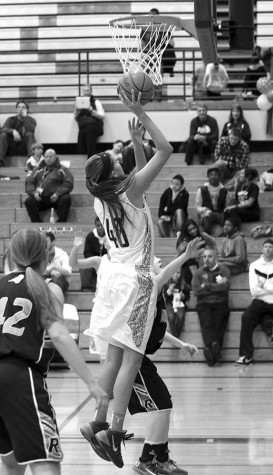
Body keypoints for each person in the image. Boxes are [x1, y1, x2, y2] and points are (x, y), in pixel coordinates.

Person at [81, 90, 173, 468]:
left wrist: (136, 144)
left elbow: (139, 180)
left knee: (113, 355)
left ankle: (98, 421)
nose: (120, 161)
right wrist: (140, 113)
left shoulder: (101, 197)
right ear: (115, 174)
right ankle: (113, 432)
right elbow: (165, 150)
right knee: (131, 361)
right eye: (115, 160)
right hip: (135, 279)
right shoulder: (129, 189)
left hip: (111, 277)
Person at [70, 236, 202, 475]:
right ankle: (149, 460)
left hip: (141, 359)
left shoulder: (154, 298)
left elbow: (157, 330)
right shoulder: (148, 287)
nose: (161, 263)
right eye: (158, 262)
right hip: (133, 362)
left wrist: (181, 343)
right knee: (161, 406)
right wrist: (185, 257)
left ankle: (156, 458)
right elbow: (161, 276)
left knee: (163, 406)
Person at [0, 228, 107, 475]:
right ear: (47, 255)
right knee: (45, 462)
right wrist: (91, 382)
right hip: (20, 378)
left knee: (12, 463)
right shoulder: (44, 287)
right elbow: (59, 334)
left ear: (11, 255)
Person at [236, 239, 273, 366]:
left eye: (270, 247)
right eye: (265, 246)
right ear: (262, 249)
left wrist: (264, 285)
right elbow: (254, 291)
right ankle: (245, 355)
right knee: (246, 317)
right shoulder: (254, 265)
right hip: (259, 302)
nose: (268, 249)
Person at [192, 246, 231, 366]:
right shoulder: (198, 272)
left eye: (209, 256)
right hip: (204, 304)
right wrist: (216, 287)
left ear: (216, 257)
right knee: (207, 325)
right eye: (204, 256)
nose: (206, 259)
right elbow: (196, 291)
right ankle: (215, 353)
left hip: (221, 302)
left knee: (219, 326)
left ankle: (211, 356)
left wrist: (208, 286)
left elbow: (225, 288)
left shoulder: (223, 270)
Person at [25, 148, 74, 222]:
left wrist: (57, 194)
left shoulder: (62, 169)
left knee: (66, 199)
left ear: (55, 157)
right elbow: (29, 182)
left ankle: (61, 222)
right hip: (41, 198)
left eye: (50, 157)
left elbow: (68, 183)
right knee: (29, 201)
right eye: (46, 157)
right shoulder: (38, 169)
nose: (48, 159)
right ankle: (36, 222)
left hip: (57, 198)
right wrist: (34, 193)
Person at [0, 100, 36, 166]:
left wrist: (25, 117)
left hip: (24, 146)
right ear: (16, 109)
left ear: (27, 109)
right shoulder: (10, 119)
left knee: (30, 134)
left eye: (23, 107)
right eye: (19, 107)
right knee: (3, 135)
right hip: (11, 146)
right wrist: (13, 131)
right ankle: (0, 161)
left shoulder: (31, 120)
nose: (20, 109)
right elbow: (2, 129)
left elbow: (30, 130)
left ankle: (32, 161)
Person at [74, 83, 105, 158]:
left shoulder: (96, 102)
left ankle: (92, 161)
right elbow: (75, 118)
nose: (86, 92)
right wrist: (77, 111)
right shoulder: (79, 102)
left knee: (91, 147)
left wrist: (92, 110)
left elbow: (102, 115)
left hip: (93, 127)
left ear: (91, 91)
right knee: (80, 148)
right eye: (84, 91)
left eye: (88, 90)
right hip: (82, 127)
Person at [196, 167, 228, 237]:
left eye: (215, 174)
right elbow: (198, 207)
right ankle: (207, 238)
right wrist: (204, 210)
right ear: (208, 176)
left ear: (219, 176)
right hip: (207, 213)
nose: (213, 176)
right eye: (211, 174)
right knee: (207, 218)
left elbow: (226, 205)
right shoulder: (202, 189)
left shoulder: (224, 190)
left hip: (219, 213)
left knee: (230, 219)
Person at [80, 217, 108, 292]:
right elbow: (87, 252)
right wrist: (95, 260)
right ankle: (87, 288)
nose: (100, 228)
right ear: (95, 225)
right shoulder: (90, 236)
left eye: (102, 225)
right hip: (93, 261)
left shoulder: (109, 236)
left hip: (107, 261)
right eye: (98, 225)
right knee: (84, 268)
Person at [163, 267, 190, 338]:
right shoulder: (166, 283)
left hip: (179, 303)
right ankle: (176, 337)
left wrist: (183, 296)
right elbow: (163, 297)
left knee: (180, 316)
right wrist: (169, 291)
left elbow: (188, 296)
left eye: (178, 273)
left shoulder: (183, 284)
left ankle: (175, 337)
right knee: (171, 316)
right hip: (169, 303)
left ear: (181, 274)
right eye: (174, 273)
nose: (176, 275)